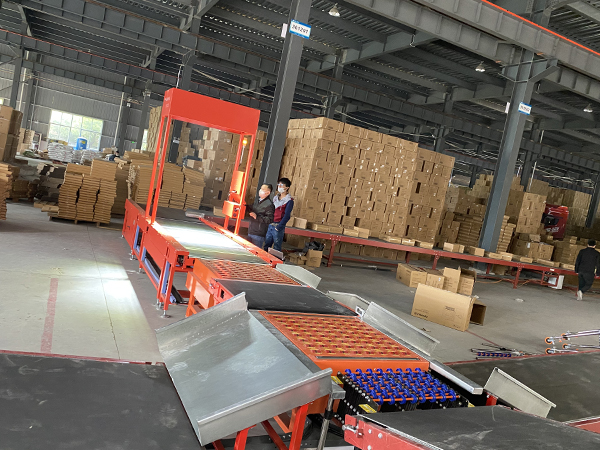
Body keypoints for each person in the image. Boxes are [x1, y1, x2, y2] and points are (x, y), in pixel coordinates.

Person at [264, 177, 294, 252]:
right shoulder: (275, 198)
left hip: (278, 225)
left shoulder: (289, 201)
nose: (279, 186)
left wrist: (279, 227)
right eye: (278, 185)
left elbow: (287, 215)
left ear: (287, 188)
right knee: (267, 244)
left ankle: (275, 259)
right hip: (270, 224)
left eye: (281, 185)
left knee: (277, 247)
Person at [246, 184, 274, 249]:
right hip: (251, 230)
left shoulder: (269, 205)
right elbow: (251, 208)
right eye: (261, 189)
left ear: (268, 193)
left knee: (255, 251)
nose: (260, 190)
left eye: (263, 189)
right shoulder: (257, 201)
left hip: (258, 234)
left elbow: (269, 219)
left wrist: (257, 217)